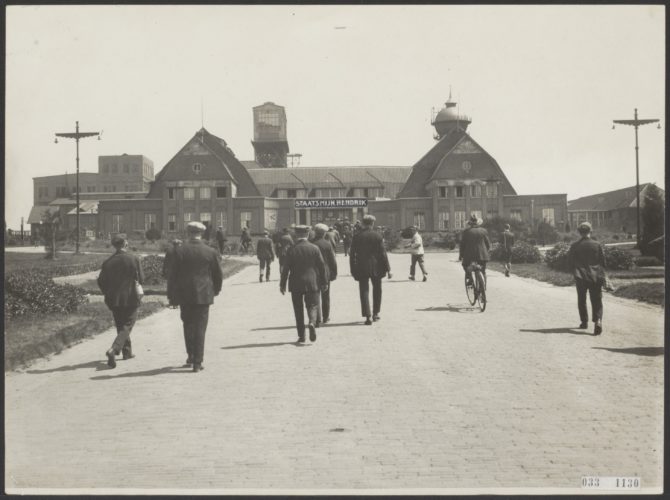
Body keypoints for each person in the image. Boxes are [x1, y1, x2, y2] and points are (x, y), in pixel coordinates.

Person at [167, 221, 223, 372]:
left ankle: (191, 355)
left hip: (184, 295)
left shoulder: (179, 251)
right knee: (200, 328)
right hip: (204, 295)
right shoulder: (210, 251)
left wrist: (172, 296)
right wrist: (216, 290)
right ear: (202, 234)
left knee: (188, 325)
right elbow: (218, 275)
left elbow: (172, 276)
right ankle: (198, 362)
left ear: (188, 233)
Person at [97, 234, 145, 368]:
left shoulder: (108, 262)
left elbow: (101, 281)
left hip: (113, 299)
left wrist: (108, 292)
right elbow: (142, 279)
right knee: (128, 324)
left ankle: (127, 352)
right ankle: (114, 349)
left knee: (121, 324)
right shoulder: (134, 259)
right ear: (125, 244)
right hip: (130, 297)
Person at [280, 225, 327, 343]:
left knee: (298, 309)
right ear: (307, 234)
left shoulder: (291, 249)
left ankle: (302, 336)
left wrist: (282, 284)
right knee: (312, 305)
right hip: (312, 282)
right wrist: (324, 282)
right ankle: (311, 322)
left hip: (295, 283)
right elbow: (321, 267)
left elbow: (286, 269)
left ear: (296, 235)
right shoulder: (315, 248)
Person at [349, 214, 392, 325]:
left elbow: (352, 255)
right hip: (377, 268)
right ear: (372, 224)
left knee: (364, 291)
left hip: (361, 267)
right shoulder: (377, 236)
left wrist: (353, 269)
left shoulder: (357, 236)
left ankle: (367, 316)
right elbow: (383, 254)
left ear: (363, 223)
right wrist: (388, 269)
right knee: (377, 290)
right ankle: (375, 313)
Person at [568, 221, 605, 335]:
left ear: (579, 232)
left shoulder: (574, 246)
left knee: (582, 299)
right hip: (595, 275)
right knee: (597, 299)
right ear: (591, 231)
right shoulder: (597, 244)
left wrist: (574, 271)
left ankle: (584, 322)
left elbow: (570, 262)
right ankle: (598, 321)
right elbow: (602, 262)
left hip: (580, 275)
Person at [312, 223, 338, 326]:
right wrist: (334, 273)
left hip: (313, 273)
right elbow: (332, 260)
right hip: (325, 273)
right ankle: (325, 317)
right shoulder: (327, 244)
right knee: (326, 295)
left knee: (315, 295)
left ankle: (317, 319)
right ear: (324, 233)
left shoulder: (311, 243)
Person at [459, 215, 491, 286]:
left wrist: (461, 255)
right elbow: (488, 244)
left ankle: (470, 278)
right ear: (478, 223)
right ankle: (484, 286)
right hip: (482, 255)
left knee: (465, 265)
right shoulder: (483, 231)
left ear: (470, 223)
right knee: (483, 270)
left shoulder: (466, 232)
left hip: (469, 256)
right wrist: (486, 251)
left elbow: (462, 245)